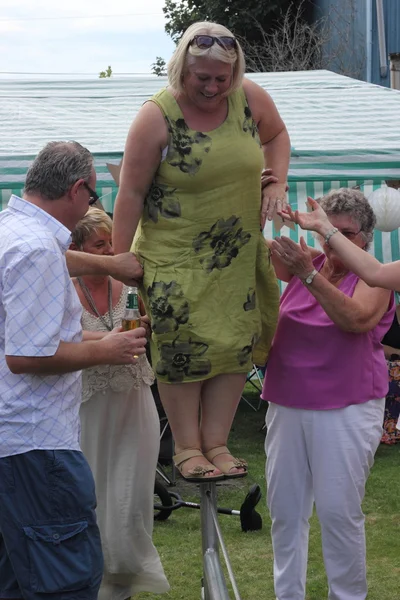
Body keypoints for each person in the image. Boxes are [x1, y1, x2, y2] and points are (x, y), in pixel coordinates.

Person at [112, 21, 289, 481]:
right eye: (202, 78)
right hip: (174, 258)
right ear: (181, 69)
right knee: (182, 346)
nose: (213, 87)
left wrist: (278, 180)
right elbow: (129, 194)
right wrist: (117, 265)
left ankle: (218, 443)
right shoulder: (156, 115)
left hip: (237, 254)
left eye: (221, 78)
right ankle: (188, 447)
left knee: (234, 342)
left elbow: (277, 137)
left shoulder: (249, 97)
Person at [0, 141, 148, 600]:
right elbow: (27, 357)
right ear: (78, 187)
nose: (92, 204)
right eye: (94, 194)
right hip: (37, 445)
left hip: (16, 445)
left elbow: (31, 337)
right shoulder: (37, 248)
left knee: (18, 580)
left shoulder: (12, 231)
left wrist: (105, 337)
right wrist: (108, 350)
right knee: (64, 579)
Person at [263, 188, 395, 600]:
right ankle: (288, 595)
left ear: (365, 236)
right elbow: (251, 244)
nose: (333, 240)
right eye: (327, 231)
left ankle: (348, 596)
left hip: (348, 406)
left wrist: (309, 274)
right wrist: (263, 200)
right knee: (285, 513)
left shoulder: (373, 274)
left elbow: (355, 320)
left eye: (345, 233)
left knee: (338, 513)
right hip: (287, 401)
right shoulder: (309, 262)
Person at [70, 208, 169, 600]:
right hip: (87, 407)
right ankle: (89, 581)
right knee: (91, 496)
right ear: (77, 250)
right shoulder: (62, 288)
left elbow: (147, 327)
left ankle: (122, 584)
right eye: (100, 245)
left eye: (112, 242)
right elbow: (57, 340)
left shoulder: (129, 285)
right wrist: (108, 342)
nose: (110, 250)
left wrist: (145, 326)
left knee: (130, 499)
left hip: (132, 401)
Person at [381, 302, 400, 444]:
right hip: (388, 362)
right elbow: (374, 344)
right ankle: (390, 428)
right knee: (395, 371)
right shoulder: (386, 311)